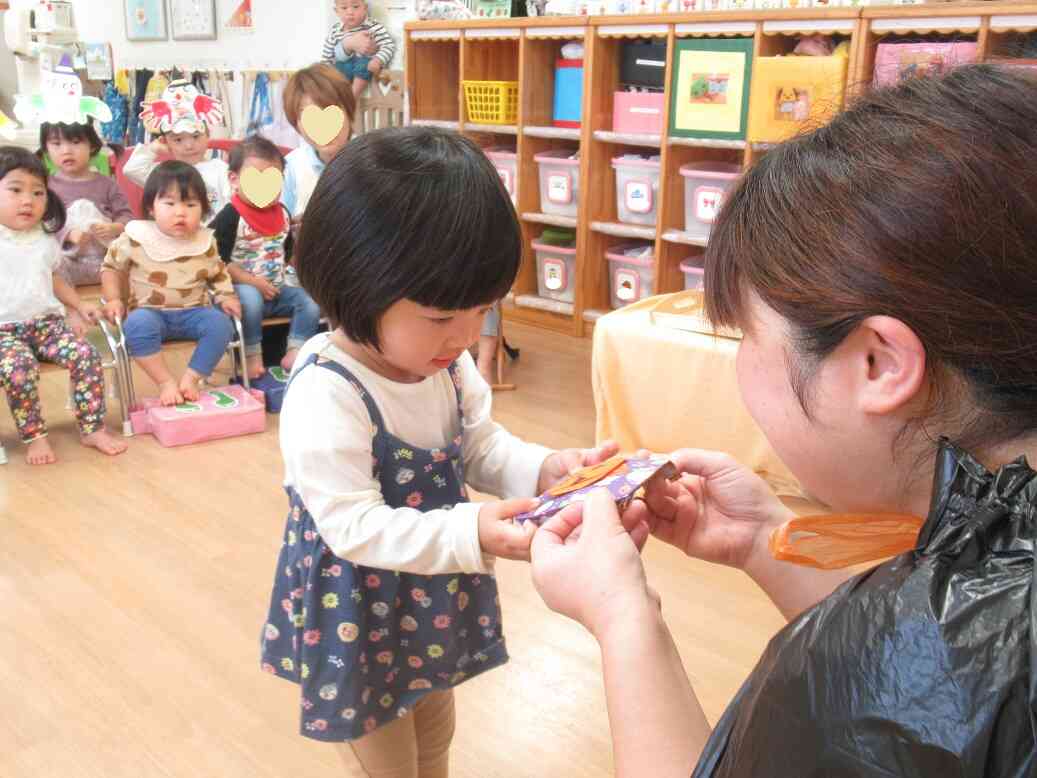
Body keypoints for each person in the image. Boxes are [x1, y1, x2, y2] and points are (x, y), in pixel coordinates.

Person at [530, 65, 1037, 777]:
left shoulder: (935, 647)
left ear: (878, 364)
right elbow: (915, 666)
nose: (740, 364)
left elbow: (903, 672)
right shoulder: (979, 597)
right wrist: (764, 542)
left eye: (745, 334)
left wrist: (622, 617)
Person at [259, 126, 619, 777]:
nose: (464, 334)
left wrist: (545, 469)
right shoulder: (327, 389)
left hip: (425, 594)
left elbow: (478, 446)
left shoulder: (446, 366)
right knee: (388, 763)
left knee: (435, 739)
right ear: (356, 284)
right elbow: (350, 525)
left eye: (481, 309)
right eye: (438, 316)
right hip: (357, 614)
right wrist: (471, 528)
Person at [0, 146, 127, 464]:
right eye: (15, 190)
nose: (28, 201)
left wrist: (77, 305)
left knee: (86, 356)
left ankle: (92, 427)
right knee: (19, 370)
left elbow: (55, 278)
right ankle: (35, 436)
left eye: (38, 192)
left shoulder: (43, 240)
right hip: (4, 333)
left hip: (46, 325)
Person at [101, 161, 241, 406]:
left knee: (221, 324)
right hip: (150, 312)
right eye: (169, 203)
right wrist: (114, 298)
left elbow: (218, 273)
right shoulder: (135, 238)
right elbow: (111, 268)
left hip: (195, 311)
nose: (180, 212)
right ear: (152, 208)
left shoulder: (205, 241)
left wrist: (226, 296)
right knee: (136, 325)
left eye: (191, 204)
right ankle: (165, 381)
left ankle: (191, 378)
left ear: (204, 209)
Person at [211, 135, 320, 378]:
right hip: (241, 292)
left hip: (277, 290)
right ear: (234, 179)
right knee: (251, 299)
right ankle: (251, 355)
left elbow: (288, 253)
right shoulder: (231, 216)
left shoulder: (281, 213)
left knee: (309, 302)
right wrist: (253, 282)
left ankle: (296, 350)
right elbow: (217, 262)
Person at [40, 121, 134, 288]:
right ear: (46, 149)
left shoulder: (107, 184)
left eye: (75, 142)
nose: (66, 150)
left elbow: (126, 215)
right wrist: (67, 234)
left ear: (92, 145)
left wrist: (116, 227)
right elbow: (44, 222)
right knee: (44, 265)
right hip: (67, 263)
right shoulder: (46, 187)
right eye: (56, 143)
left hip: (106, 263)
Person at [123, 79, 231, 216]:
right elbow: (132, 169)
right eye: (178, 140)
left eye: (196, 136)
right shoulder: (165, 174)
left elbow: (232, 205)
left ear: (207, 135)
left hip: (213, 235)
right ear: (166, 142)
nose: (189, 145)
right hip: (176, 235)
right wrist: (152, 149)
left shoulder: (220, 169)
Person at [321, 0, 397, 100]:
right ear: (336, 11)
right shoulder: (335, 31)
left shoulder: (374, 27)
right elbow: (327, 56)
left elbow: (388, 45)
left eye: (355, 7)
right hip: (345, 67)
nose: (350, 12)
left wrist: (378, 60)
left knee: (364, 64)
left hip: (364, 64)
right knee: (336, 68)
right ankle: (339, 94)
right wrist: (323, 74)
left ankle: (353, 95)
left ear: (365, 8)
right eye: (344, 8)